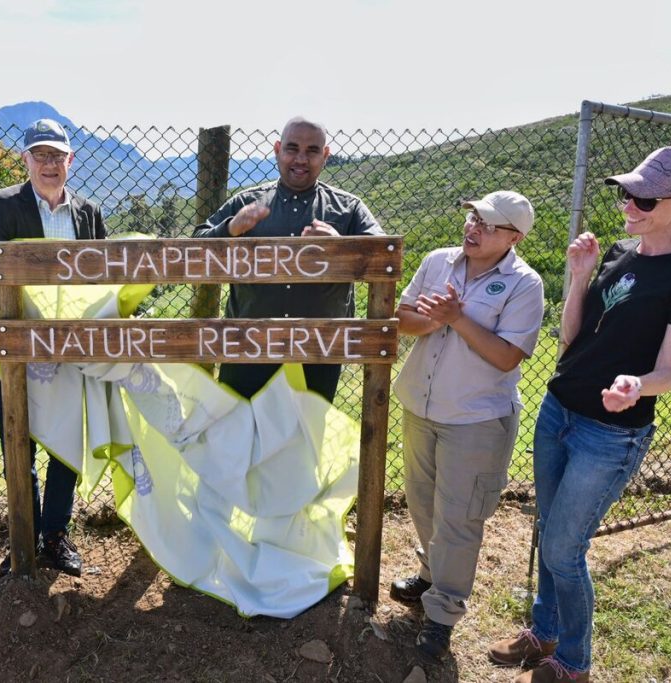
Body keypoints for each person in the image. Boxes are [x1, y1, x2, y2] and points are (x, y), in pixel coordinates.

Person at [488, 147, 671, 683]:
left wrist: (637, 385)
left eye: (645, 197)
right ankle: (544, 631)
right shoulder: (617, 251)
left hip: (610, 433)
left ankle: (575, 662)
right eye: (626, 191)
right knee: (548, 528)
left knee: (565, 544)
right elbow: (571, 338)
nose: (629, 203)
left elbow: (670, 372)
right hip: (560, 407)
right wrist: (580, 275)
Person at [390, 192, 545, 663]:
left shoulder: (524, 284)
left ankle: (442, 616)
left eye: (489, 225)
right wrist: (434, 320)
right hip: (421, 405)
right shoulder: (439, 261)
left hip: (476, 419)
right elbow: (402, 318)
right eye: (474, 217)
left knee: (459, 519)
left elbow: (507, 356)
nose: (473, 227)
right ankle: (433, 574)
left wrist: (455, 318)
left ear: (514, 238)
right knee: (422, 502)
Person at [0, 118, 105, 577]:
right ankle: (23, 536)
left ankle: (55, 534)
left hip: (73, 352)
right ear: (25, 160)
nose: (48, 164)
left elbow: (103, 282)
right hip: (19, 353)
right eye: (39, 155)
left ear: (71, 160)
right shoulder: (1, 206)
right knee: (18, 444)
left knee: (66, 445)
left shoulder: (89, 213)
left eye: (56, 156)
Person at [191, 116, 384, 402]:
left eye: (312, 151)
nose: (301, 159)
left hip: (318, 354)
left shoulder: (348, 208)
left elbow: (386, 256)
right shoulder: (246, 203)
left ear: (326, 155)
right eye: (292, 149)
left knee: (304, 443)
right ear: (277, 149)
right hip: (247, 351)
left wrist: (342, 248)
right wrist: (230, 229)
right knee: (240, 440)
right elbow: (194, 246)